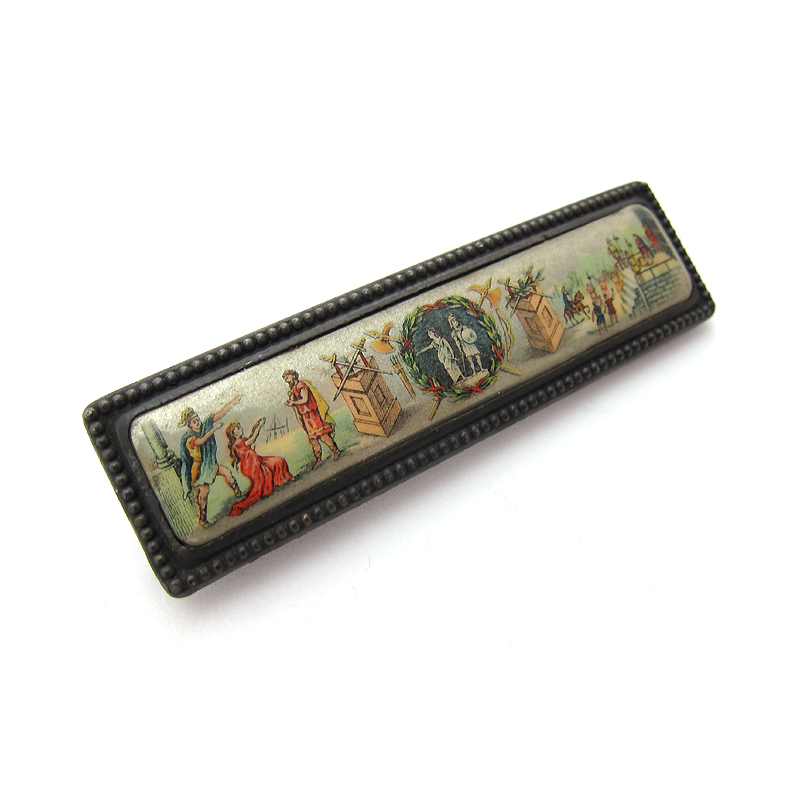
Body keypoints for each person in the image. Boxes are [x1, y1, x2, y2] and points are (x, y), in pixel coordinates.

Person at [179, 396, 243, 527]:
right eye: (194, 421)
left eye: (197, 419)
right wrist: (214, 429)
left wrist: (232, 402)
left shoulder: (204, 427)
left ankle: (238, 492)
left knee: (226, 472)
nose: (198, 422)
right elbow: (201, 441)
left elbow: (220, 414)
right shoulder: (190, 438)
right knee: (204, 493)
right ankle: (202, 519)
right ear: (190, 425)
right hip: (199, 470)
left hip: (210, 465)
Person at [225, 419, 292, 516]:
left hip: (256, 462)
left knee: (278, 461)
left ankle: (281, 480)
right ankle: (276, 483)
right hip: (252, 466)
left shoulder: (239, 442)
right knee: (264, 477)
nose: (241, 429)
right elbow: (252, 439)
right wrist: (259, 426)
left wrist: (255, 426)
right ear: (234, 433)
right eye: (238, 428)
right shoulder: (239, 443)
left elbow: (250, 439)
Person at [282, 370, 341, 467]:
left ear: (293, 376)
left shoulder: (301, 385)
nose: (286, 379)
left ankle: (336, 450)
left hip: (312, 414)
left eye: (287, 377)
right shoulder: (293, 388)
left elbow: (305, 399)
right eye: (285, 378)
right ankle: (318, 459)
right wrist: (291, 401)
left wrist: (294, 402)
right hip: (305, 416)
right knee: (312, 439)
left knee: (322, 435)